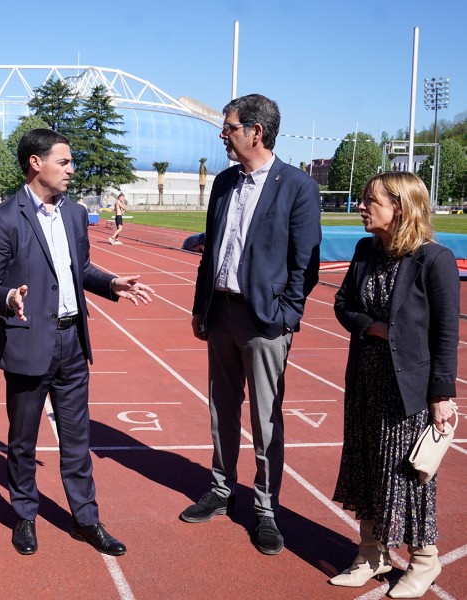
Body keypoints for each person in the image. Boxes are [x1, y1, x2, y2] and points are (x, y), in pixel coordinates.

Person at [0, 128, 155, 557]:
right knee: (22, 441)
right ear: (36, 163)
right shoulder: (4, 217)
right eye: (64, 161)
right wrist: (7, 297)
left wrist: (112, 283)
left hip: (73, 341)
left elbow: (82, 269)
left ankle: (86, 519)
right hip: (28, 342)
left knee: (77, 439)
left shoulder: (75, 214)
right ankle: (25, 515)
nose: (72, 169)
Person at [182, 94, 322, 555]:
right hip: (220, 312)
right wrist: (202, 307)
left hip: (265, 320)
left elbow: (306, 264)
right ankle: (222, 490)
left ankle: (265, 509)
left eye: (230, 127)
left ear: (255, 132)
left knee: (265, 420)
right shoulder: (224, 183)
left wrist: (287, 317)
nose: (223, 133)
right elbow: (212, 253)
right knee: (222, 410)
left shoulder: (297, 186)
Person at [329, 172, 458, 597]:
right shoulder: (366, 249)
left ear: (399, 207)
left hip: (410, 389)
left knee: (408, 475)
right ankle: (372, 553)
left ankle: (424, 560)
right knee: (366, 465)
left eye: (371, 201)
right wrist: (374, 328)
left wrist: (441, 396)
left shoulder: (434, 259)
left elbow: (444, 334)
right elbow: (343, 304)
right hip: (365, 380)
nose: (362, 207)